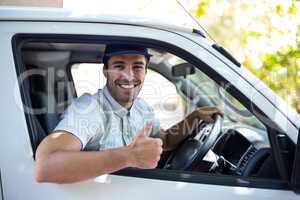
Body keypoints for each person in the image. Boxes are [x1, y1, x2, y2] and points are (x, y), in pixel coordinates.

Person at [34, 44, 223, 183]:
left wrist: (193, 117)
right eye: (119, 66)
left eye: (137, 67)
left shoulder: (142, 107)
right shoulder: (90, 108)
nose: (129, 75)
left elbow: (164, 141)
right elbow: (46, 166)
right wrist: (128, 156)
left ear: (146, 71)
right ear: (106, 71)